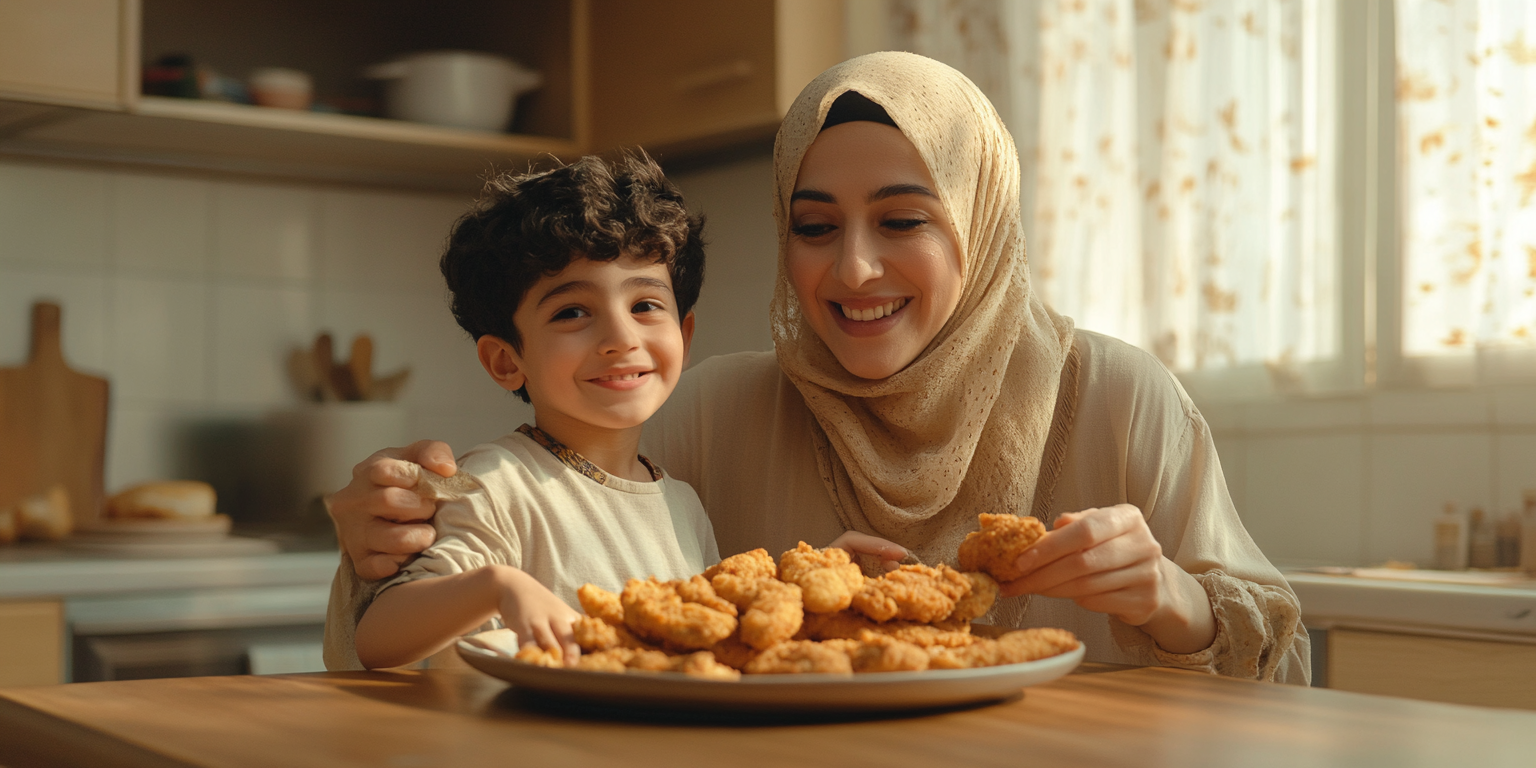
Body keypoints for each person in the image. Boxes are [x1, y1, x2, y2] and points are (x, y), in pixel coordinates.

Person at [327, 53, 1309, 683]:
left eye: (904, 219)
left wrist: (1170, 600)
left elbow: (1284, 675)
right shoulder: (711, 408)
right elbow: (548, 575)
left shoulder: (1116, 397)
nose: (853, 269)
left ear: (982, 220)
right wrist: (388, 537)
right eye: (813, 226)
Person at [339, 153, 723, 670]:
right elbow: (379, 639)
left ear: (684, 334)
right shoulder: (495, 485)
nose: (620, 338)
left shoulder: (683, 504)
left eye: (645, 306)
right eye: (572, 312)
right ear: (506, 361)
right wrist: (498, 586)